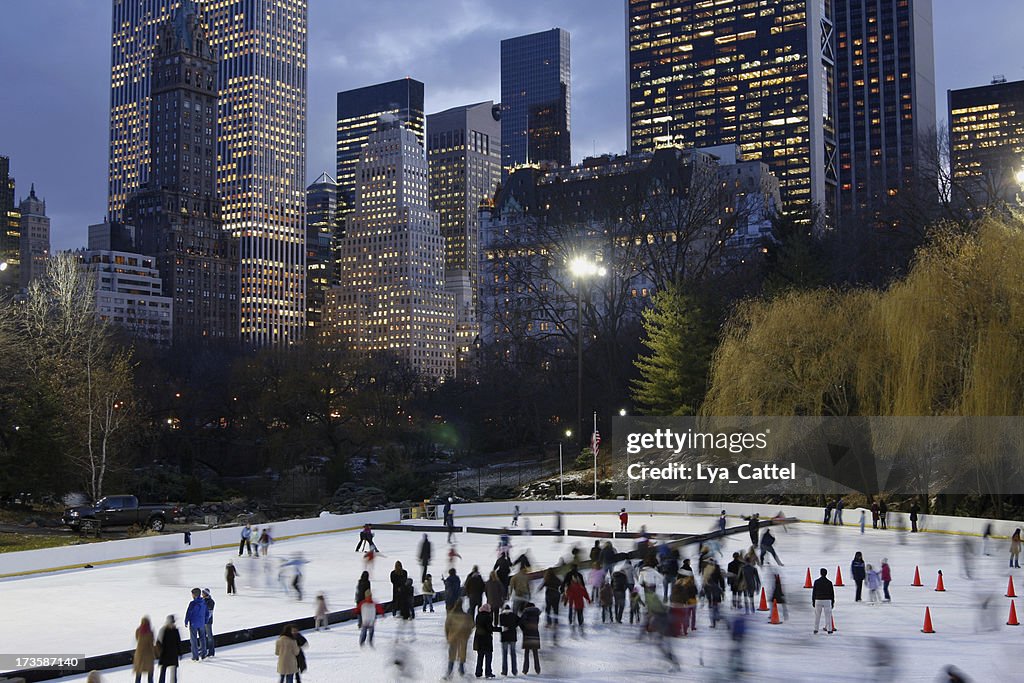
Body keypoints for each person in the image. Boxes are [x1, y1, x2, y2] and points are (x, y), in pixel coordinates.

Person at [444, 601, 474, 680]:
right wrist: (467, 634)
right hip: (463, 638)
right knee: (462, 654)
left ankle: (449, 672)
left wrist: (448, 636)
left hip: (453, 638)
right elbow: (471, 626)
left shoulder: (450, 615)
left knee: (452, 655)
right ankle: (461, 670)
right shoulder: (466, 616)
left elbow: (447, 627)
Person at [183, 587, 207, 661]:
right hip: (201, 623)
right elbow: (207, 613)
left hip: (194, 623)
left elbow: (189, 613)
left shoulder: (192, 603)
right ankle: (203, 654)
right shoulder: (203, 602)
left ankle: (195, 656)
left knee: (193, 640)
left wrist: (186, 621)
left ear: (194, 595)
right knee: (202, 639)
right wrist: (205, 621)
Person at [155, 615, 180, 683]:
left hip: (172, 655)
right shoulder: (163, 630)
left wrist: (179, 652)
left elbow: (178, 642)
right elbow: (158, 642)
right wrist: (159, 653)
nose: (172, 624)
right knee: (163, 672)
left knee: (173, 673)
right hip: (165, 654)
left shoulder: (175, 631)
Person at [519, 601, 542, 674]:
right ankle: (537, 669)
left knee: (527, 653)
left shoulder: (525, 613)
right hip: (535, 634)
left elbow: (521, 622)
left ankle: (525, 670)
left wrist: (524, 630)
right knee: (535, 653)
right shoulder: (536, 614)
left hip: (527, 634)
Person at [474, 603, 495, 678]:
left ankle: (478, 672)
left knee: (480, 657)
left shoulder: (478, 616)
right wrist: (499, 629)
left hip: (478, 639)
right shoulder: (488, 617)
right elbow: (490, 628)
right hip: (486, 640)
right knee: (488, 657)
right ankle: (488, 672)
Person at [132, 616, 156, 683]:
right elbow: (151, 643)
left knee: (139, 673)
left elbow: (137, 639)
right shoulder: (150, 632)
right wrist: (154, 653)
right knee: (150, 674)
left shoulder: (138, 630)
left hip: (139, 654)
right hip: (148, 655)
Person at [812, 568, 835, 634]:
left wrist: (813, 601)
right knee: (828, 615)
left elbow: (814, 592)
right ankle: (829, 629)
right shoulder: (829, 582)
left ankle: (816, 629)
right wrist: (832, 602)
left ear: (820, 573)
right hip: (827, 600)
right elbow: (832, 593)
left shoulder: (816, 582)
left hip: (818, 599)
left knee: (817, 615)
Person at [498, 603, 519, 676]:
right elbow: (518, 622)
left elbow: (501, 625)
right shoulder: (514, 615)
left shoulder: (501, 616)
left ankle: (504, 671)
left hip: (504, 637)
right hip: (513, 636)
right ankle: (514, 670)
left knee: (504, 654)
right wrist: (513, 627)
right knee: (513, 654)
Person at [201, 588, 215, 657]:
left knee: (209, 637)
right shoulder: (202, 600)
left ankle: (211, 652)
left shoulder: (210, 602)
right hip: (202, 621)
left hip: (207, 622)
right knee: (203, 636)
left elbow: (210, 612)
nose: (202, 594)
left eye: (203, 593)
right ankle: (203, 650)